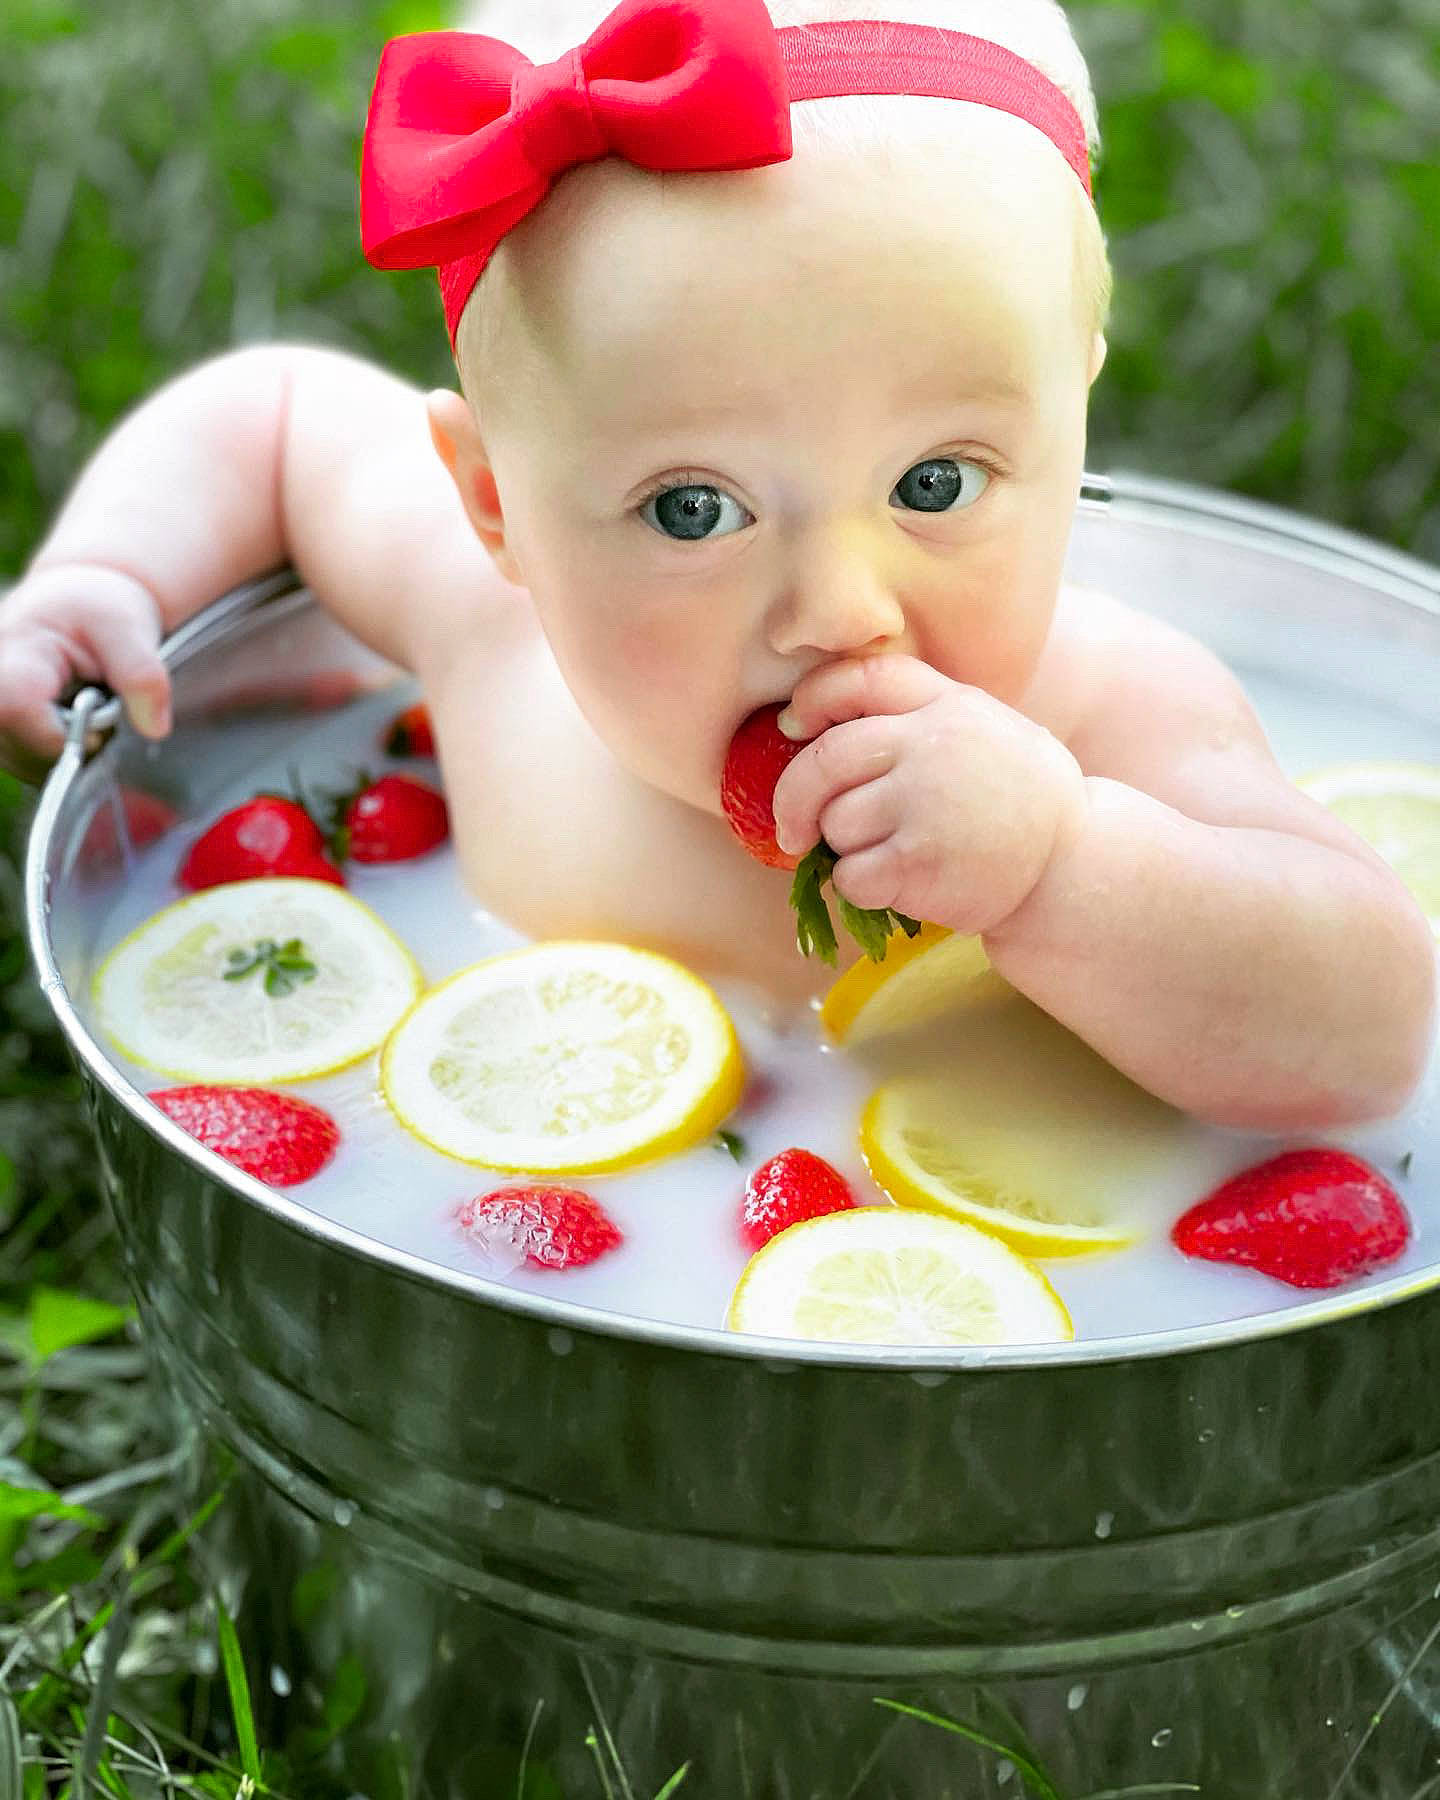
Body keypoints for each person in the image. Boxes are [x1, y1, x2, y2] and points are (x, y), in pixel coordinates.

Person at [0, 0, 1432, 1130]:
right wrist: (102, 580)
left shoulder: (1112, 718)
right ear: (498, 504)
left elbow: (1372, 1032)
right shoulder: (490, 630)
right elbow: (277, 419)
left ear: (1074, 421)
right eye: (694, 511)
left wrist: (1062, 863)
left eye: (935, 484)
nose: (839, 611)